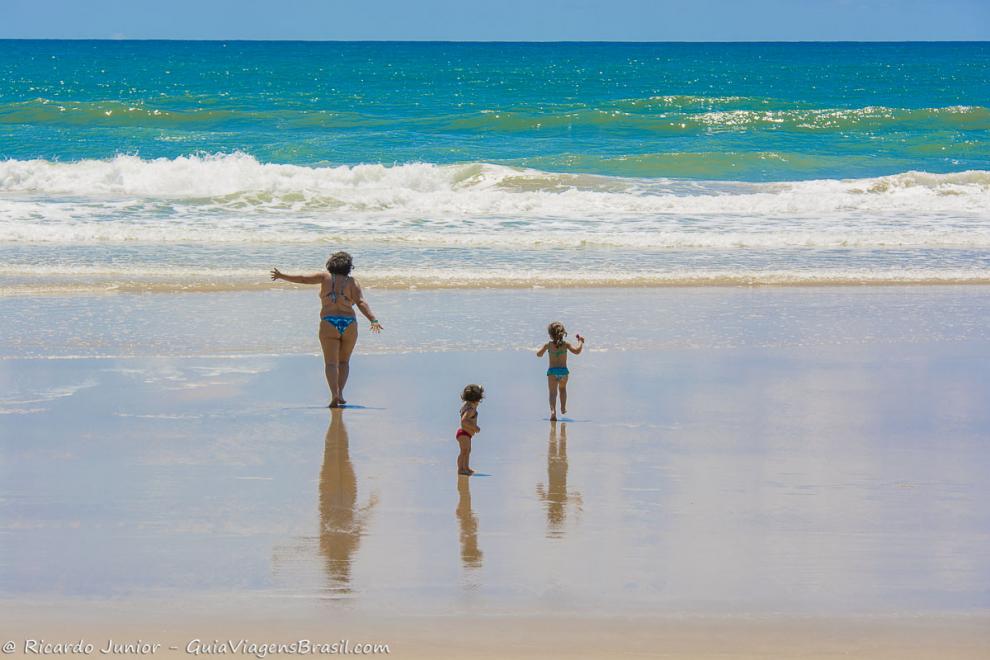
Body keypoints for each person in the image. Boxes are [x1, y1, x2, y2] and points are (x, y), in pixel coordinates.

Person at [271, 251, 382, 407]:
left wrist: (282, 276)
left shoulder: (324, 278)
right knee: (344, 362)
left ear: (331, 264)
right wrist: (373, 319)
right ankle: (341, 393)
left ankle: (334, 395)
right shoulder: (352, 282)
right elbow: (361, 302)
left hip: (329, 323)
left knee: (331, 364)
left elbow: (303, 278)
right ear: (349, 267)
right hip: (349, 323)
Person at [536, 322, 584, 421]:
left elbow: (538, 354)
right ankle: (563, 407)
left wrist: (541, 352)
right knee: (562, 389)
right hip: (563, 372)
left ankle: (553, 411)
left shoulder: (548, 345)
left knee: (552, 393)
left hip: (552, 372)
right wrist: (580, 341)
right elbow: (577, 351)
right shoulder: (566, 345)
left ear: (550, 335)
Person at [456, 384, 484, 475]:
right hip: (463, 433)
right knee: (464, 451)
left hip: (466, 434)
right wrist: (474, 427)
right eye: (479, 400)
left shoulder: (468, 405)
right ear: (476, 400)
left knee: (467, 451)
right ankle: (461, 469)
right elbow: (464, 421)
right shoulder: (470, 409)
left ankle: (466, 467)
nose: (478, 403)